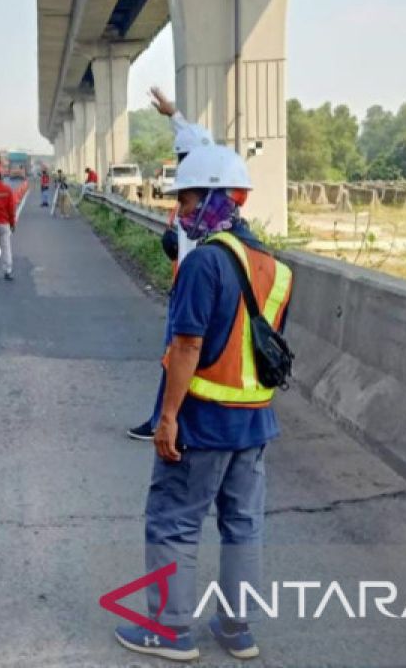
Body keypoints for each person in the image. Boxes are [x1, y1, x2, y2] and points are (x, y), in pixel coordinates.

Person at [113, 145, 293, 662]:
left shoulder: (205, 263)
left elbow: (188, 346)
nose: (181, 213)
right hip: (255, 425)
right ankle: (237, 629)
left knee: (173, 520)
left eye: (188, 201)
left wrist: (167, 417)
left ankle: (169, 631)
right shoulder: (275, 269)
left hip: (203, 421)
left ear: (215, 198)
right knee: (243, 525)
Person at [128, 87, 215, 441]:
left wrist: (178, 249)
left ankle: (163, 421)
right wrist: (173, 113)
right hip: (192, 282)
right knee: (184, 355)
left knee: (177, 353)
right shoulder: (210, 181)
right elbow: (192, 135)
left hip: (192, 287)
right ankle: (173, 419)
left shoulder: (202, 197)